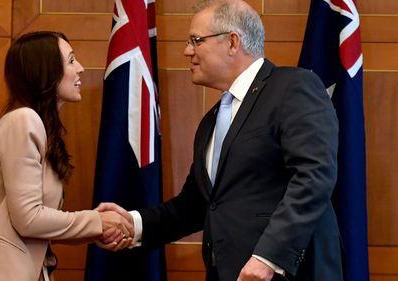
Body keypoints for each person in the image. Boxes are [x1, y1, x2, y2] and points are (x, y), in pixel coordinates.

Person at [97, 0, 344, 280]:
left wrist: (268, 257)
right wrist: (134, 223)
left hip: (285, 272)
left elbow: (315, 175)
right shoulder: (212, 121)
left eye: (196, 40)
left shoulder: (292, 87)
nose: (187, 51)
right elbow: (195, 205)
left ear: (232, 42)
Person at [0, 31, 132, 281]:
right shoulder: (24, 120)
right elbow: (28, 218)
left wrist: (95, 231)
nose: (80, 68)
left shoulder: (37, 126)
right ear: (45, 72)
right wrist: (96, 221)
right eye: (70, 60)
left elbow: (35, 223)